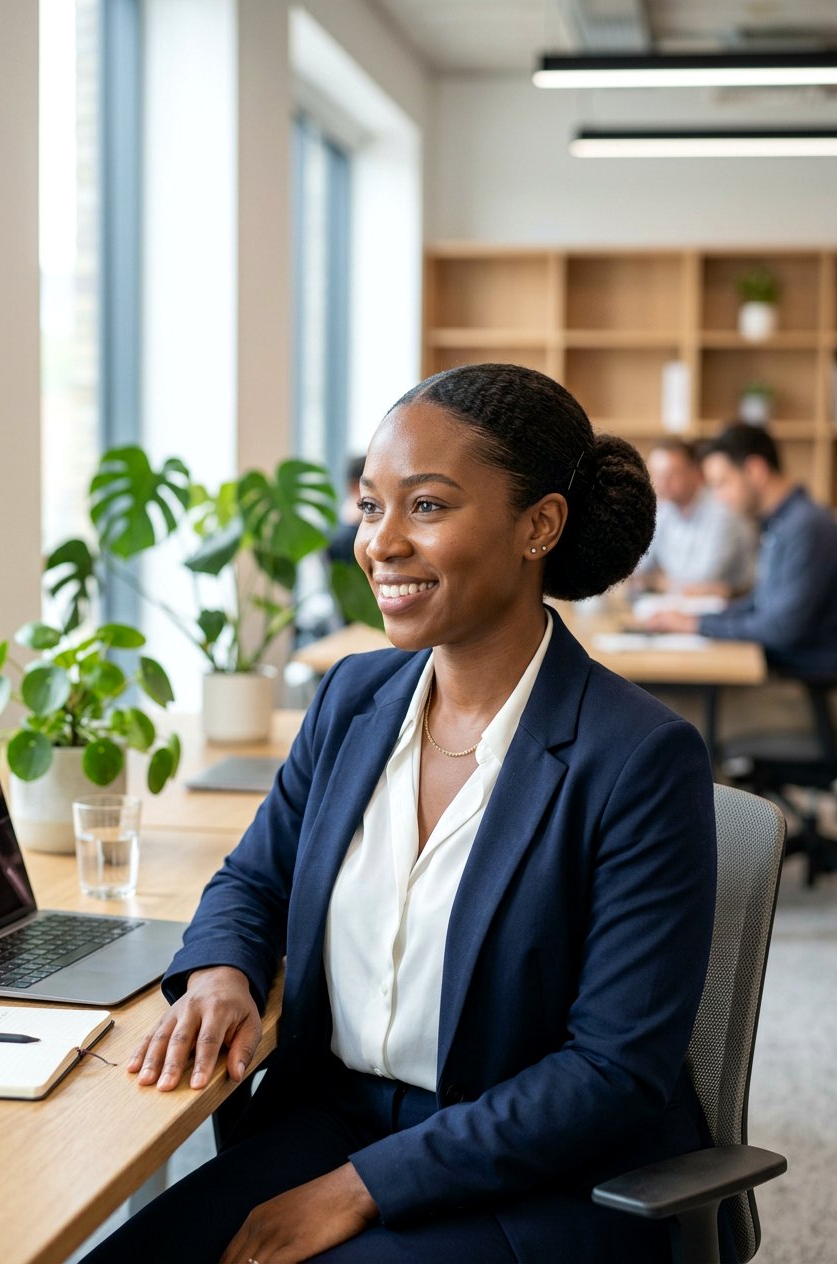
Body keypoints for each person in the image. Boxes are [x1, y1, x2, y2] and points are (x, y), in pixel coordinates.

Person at [83, 364, 723, 1264]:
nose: (382, 542)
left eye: (425, 506)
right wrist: (224, 971)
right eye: (370, 505)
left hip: (532, 1179)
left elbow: (613, 1073)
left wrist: (359, 1190)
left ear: (538, 525)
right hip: (334, 1121)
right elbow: (253, 879)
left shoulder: (639, 758)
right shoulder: (352, 697)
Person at [644, 422, 837, 677]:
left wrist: (696, 624)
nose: (720, 497)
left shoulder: (805, 525)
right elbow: (761, 603)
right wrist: (698, 620)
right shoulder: (781, 522)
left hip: (804, 669)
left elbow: (781, 629)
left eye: (722, 483)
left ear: (755, 470)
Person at [633, 438, 755, 597]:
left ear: (696, 473)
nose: (662, 482)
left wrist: (657, 582)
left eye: (671, 473)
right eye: (657, 474)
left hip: (729, 609)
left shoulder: (722, 509)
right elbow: (638, 568)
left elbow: (702, 580)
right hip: (681, 607)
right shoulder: (664, 511)